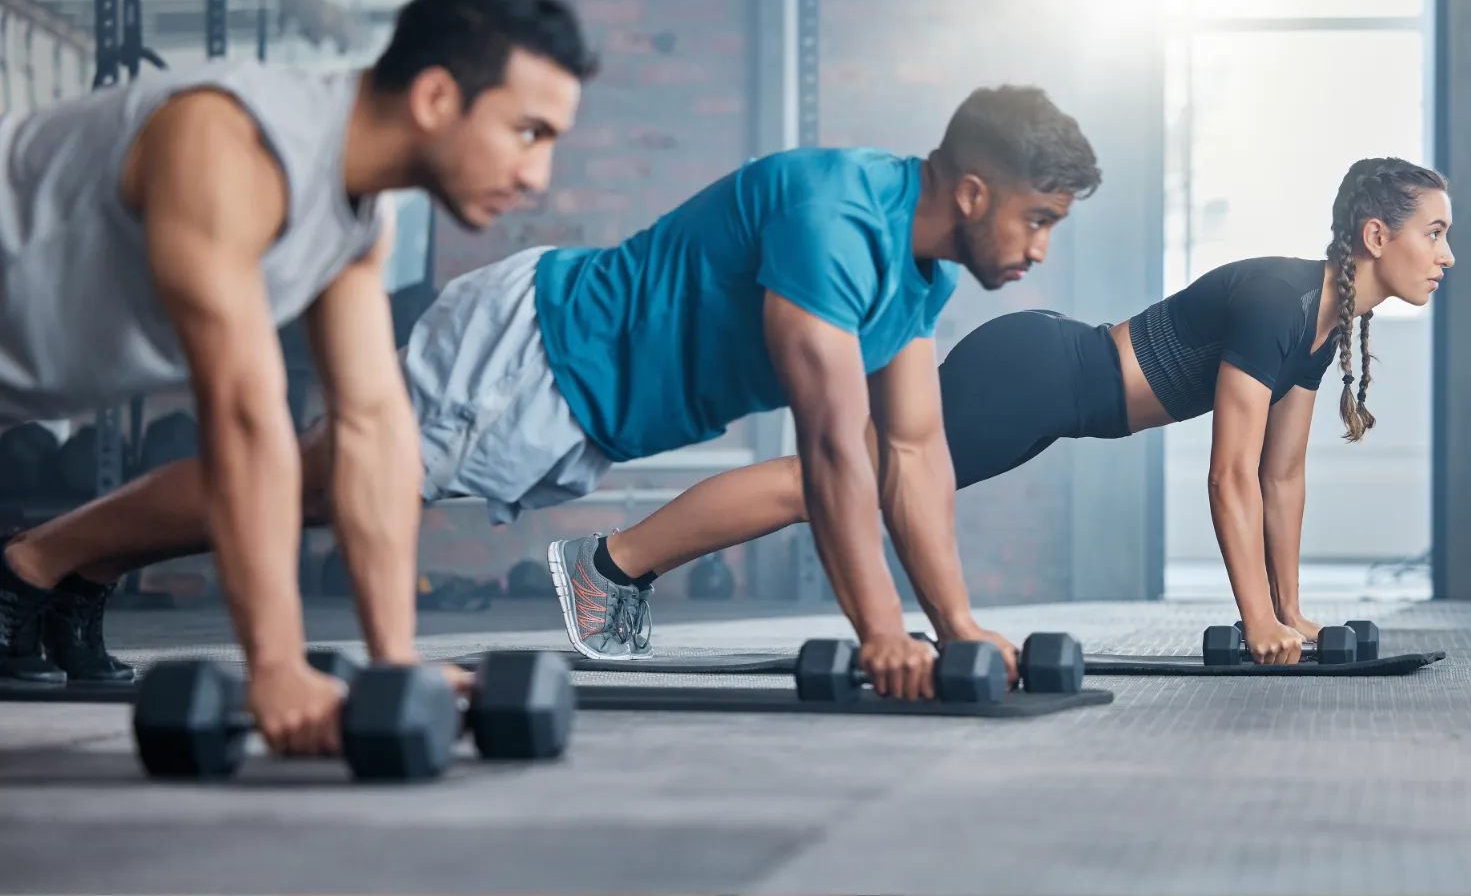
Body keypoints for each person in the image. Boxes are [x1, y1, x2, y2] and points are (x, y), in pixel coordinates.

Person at [4, 85, 1102, 701]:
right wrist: (881, 634)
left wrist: (955, 625)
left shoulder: (913, 277)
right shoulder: (836, 218)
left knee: (304, 486)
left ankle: (70, 571)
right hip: (532, 355)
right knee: (304, 485)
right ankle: (34, 564)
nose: (1041, 250)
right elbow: (831, 455)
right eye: (1039, 220)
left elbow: (913, 457)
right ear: (971, 190)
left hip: (567, 390)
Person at [0, 0, 596, 754]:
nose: (536, 175)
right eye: (529, 132)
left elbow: (373, 429)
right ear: (436, 99)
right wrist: (274, 666)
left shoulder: (356, 221)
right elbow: (244, 416)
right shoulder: (228, 139)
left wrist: (395, 667)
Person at [591, 156, 1453, 666]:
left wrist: (1289, 612)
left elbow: (1282, 475)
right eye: (1436, 232)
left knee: (840, 479)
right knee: (831, 482)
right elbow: (1228, 474)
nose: (1447, 254)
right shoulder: (1279, 299)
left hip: (1052, 387)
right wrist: (1255, 618)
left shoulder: (1323, 320)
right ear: (1377, 237)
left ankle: (618, 567)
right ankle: (610, 565)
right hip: (1036, 376)